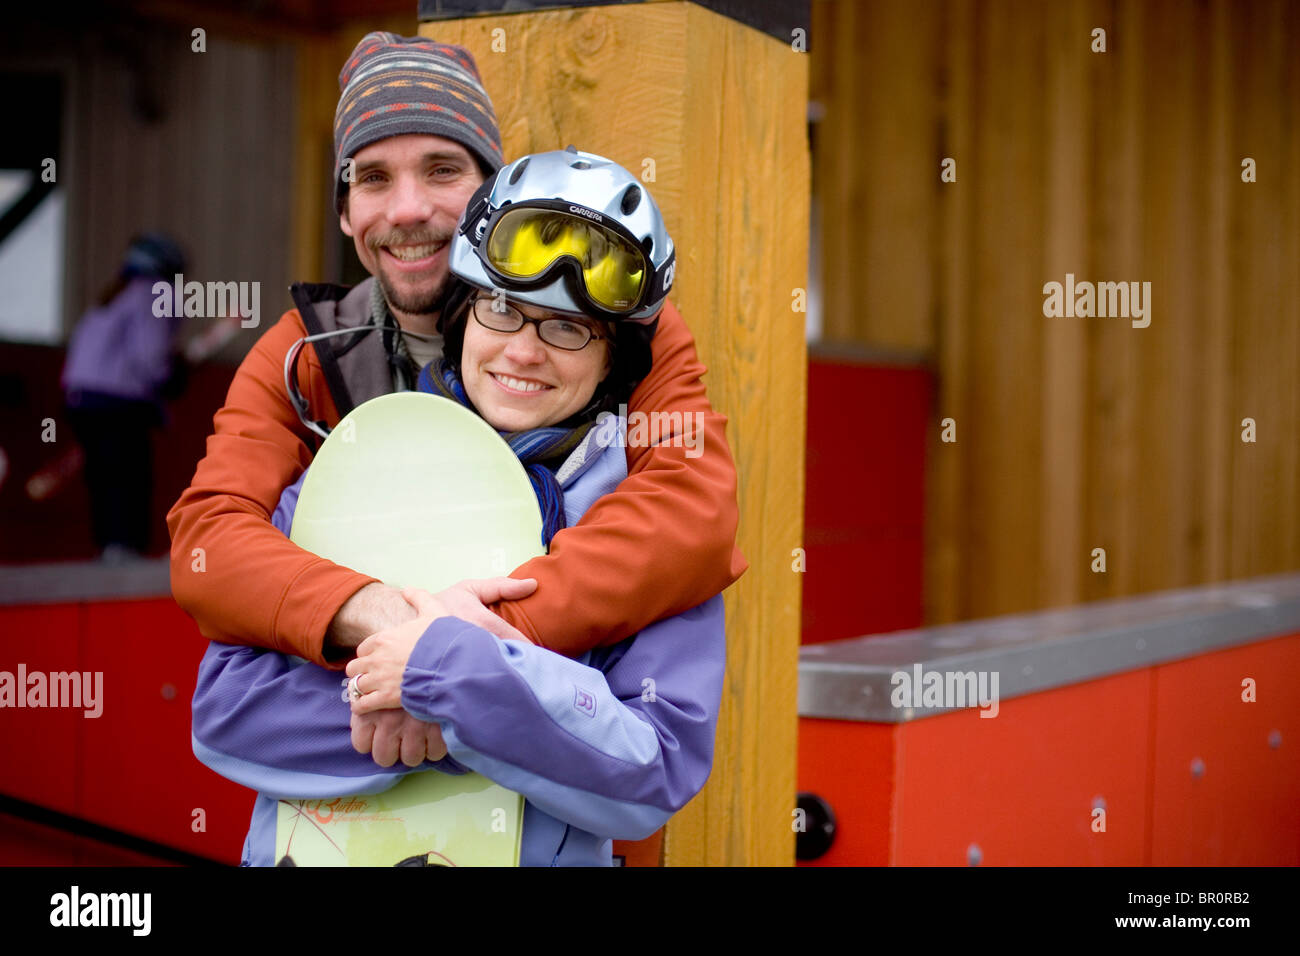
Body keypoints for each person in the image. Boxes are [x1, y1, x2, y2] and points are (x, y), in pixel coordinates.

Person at [167, 32, 745, 767]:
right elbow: (210, 542)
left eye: (441, 169)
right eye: (372, 178)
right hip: (347, 793)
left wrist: (475, 652)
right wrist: (392, 625)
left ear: (490, 196)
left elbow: (691, 507)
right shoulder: (305, 353)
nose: (406, 209)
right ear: (345, 211)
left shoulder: (624, 327)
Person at [192, 150, 728, 865]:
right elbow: (225, 712)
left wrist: (458, 687)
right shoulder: (351, 461)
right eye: (502, 308)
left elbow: (656, 769)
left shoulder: (637, 522)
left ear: (614, 362)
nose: (524, 351)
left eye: (567, 328)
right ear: (462, 314)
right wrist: (432, 706)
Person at [64, 232, 187, 560]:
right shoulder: (156, 294)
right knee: (129, 474)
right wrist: (171, 376)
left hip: (81, 398)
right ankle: (125, 552)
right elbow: (151, 358)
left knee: (103, 475)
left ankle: (110, 548)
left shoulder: (113, 295)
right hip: (118, 402)